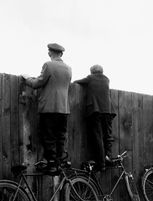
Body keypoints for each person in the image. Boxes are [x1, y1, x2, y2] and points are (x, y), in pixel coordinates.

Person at [22, 43, 72, 172]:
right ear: (61, 54)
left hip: (49, 107)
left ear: (50, 53)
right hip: (64, 108)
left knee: (48, 135)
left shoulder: (48, 65)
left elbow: (38, 83)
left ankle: (51, 164)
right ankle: (59, 163)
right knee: (60, 136)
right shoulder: (68, 68)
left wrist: (27, 79)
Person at [74, 65, 116, 171]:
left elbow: (77, 82)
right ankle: (108, 157)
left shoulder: (90, 78)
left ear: (92, 72)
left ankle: (101, 164)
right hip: (108, 111)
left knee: (98, 137)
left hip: (96, 111)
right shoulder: (107, 79)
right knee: (107, 136)